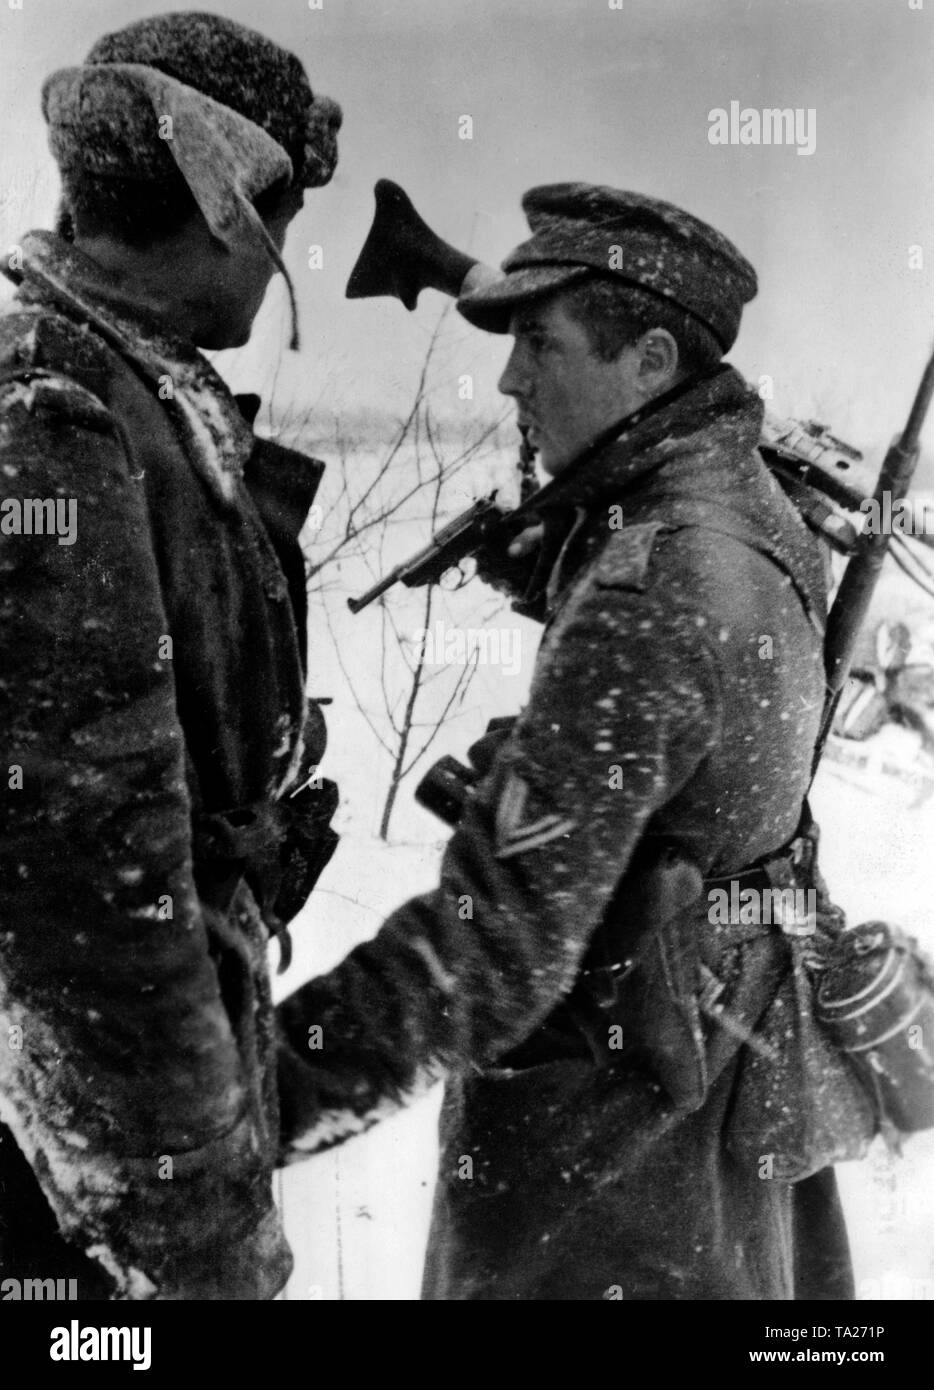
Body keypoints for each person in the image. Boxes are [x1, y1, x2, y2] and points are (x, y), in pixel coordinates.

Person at [276, 183, 874, 1300]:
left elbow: (489, 948)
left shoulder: (654, 582)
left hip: (604, 1160)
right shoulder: (749, 505)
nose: (506, 378)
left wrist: (252, 1091)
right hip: (714, 1080)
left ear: (648, 361)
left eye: (538, 347)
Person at [0, 13, 341, 1299]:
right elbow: (84, 886)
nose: (282, 264)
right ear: (225, 205)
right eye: (284, 223)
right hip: (72, 1195)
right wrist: (191, 1224)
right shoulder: (59, 413)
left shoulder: (135, 390)